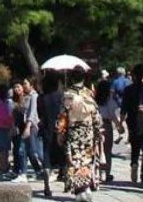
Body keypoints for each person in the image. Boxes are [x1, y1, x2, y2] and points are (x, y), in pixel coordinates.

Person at [63, 68, 103, 201]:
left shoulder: (68, 93)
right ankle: (86, 188)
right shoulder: (89, 93)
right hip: (88, 130)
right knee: (86, 160)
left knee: (74, 160)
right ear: (83, 78)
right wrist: (98, 131)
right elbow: (95, 115)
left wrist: (60, 132)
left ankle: (79, 191)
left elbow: (63, 115)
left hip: (74, 130)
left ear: (72, 78)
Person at [36, 71, 65, 200]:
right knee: (62, 156)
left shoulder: (41, 98)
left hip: (46, 129)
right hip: (60, 130)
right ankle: (65, 180)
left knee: (46, 156)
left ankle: (47, 185)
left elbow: (40, 114)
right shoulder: (62, 96)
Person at [120, 64, 143, 186]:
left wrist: (120, 123)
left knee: (135, 146)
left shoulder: (128, 90)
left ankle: (134, 163)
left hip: (132, 121)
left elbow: (123, 108)